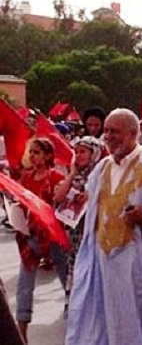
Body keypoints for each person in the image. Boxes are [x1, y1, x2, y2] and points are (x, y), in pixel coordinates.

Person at [66, 108, 142, 345]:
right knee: (107, 317)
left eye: (115, 132)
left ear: (133, 133)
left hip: (139, 259)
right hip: (105, 259)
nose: (109, 137)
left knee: (141, 317)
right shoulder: (102, 168)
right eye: (106, 132)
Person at [15, 137, 67, 342]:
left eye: (37, 152)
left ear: (47, 155)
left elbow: (61, 206)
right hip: (32, 236)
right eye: (31, 152)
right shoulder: (26, 178)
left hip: (53, 238)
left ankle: (77, 323)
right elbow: (21, 204)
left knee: (67, 281)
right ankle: (21, 334)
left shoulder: (55, 178)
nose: (33, 156)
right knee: (24, 286)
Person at [52, 136, 104, 316]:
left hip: (95, 237)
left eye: (83, 152)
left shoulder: (102, 176)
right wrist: (72, 173)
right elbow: (58, 198)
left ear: (94, 153)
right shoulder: (73, 175)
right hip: (75, 238)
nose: (78, 155)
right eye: (76, 152)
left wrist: (91, 197)